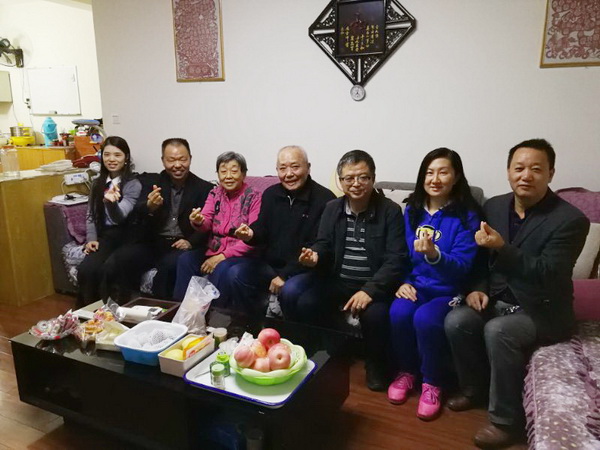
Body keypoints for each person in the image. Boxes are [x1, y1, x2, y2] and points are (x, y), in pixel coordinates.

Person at [444, 139, 590, 448]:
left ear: (550, 173)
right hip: (496, 298)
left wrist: (502, 248)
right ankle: (473, 389)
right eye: (519, 168)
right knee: (457, 320)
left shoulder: (571, 220)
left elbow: (549, 273)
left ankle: (505, 421)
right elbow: (479, 259)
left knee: (499, 331)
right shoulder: (494, 206)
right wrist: (477, 289)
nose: (526, 175)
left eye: (536, 169)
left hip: (541, 307)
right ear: (508, 171)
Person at [298, 150, 408, 391]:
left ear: (373, 178)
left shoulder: (390, 211)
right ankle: (330, 353)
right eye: (349, 178)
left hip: (374, 284)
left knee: (375, 316)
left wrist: (369, 290)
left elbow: (396, 258)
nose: (356, 183)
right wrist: (315, 256)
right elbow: (323, 244)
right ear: (341, 181)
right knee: (306, 302)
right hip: (339, 280)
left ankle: (376, 365)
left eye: (363, 177)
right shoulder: (332, 208)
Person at [387, 148, 481, 421]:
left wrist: (434, 255)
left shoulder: (467, 216)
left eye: (443, 172)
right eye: (429, 172)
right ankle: (407, 371)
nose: (435, 179)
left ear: (456, 177)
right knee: (399, 312)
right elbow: (401, 254)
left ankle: (432, 382)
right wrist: (402, 281)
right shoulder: (412, 210)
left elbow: (464, 265)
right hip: (417, 285)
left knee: (426, 319)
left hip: (449, 291)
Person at [231, 145, 335, 318]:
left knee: (291, 290)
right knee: (236, 274)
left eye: (295, 167)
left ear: (308, 168)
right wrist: (250, 234)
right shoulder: (271, 194)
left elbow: (320, 245)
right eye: (282, 168)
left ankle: (290, 333)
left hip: (304, 270)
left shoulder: (325, 199)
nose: (289, 174)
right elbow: (261, 228)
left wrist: (286, 275)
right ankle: (253, 326)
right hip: (271, 265)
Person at [112, 138, 213, 301]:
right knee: (124, 257)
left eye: (182, 159)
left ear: (190, 159)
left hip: (181, 245)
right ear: (163, 160)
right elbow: (137, 213)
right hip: (154, 242)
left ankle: (163, 310)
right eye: (171, 160)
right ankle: (126, 306)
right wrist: (149, 207)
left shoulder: (204, 188)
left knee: (168, 265)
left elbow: (209, 222)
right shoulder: (152, 183)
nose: (177, 165)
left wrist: (191, 242)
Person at [172, 152, 261, 310]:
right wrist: (198, 221)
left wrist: (222, 256)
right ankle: (182, 312)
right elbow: (205, 221)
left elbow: (256, 235)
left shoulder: (254, 196)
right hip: (213, 249)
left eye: (234, 171)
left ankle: (215, 316)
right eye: (223, 171)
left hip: (242, 253)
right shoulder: (215, 193)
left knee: (222, 268)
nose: (228, 176)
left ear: (243, 174)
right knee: (185, 260)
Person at [77, 136, 141, 305]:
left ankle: (109, 314)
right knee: (86, 269)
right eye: (107, 155)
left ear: (126, 158)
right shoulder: (97, 183)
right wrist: (91, 239)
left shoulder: (133, 184)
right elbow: (91, 213)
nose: (111, 159)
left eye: (117, 155)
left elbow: (120, 217)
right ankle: (87, 313)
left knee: (109, 270)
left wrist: (110, 203)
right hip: (105, 236)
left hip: (125, 237)